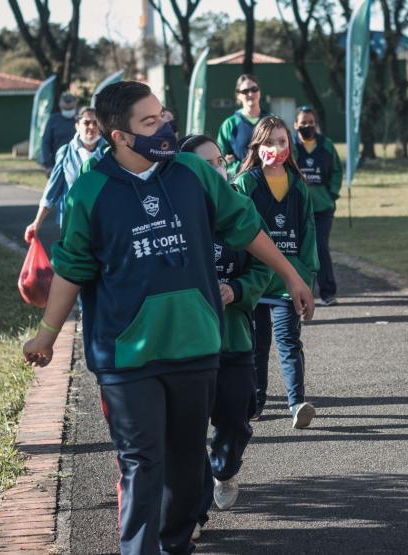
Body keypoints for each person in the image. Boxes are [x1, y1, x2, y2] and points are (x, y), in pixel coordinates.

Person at [22, 81, 315, 555]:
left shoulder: (192, 173)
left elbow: (245, 225)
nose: (164, 128)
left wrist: (291, 276)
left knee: (184, 464)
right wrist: (47, 334)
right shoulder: (89, 192)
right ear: (119, 135)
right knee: (142, 461)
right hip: (125, 356)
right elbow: (71, 268)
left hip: (195, 346)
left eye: (163, 117)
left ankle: (175, 544)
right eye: (150, 122)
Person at [178, 134, 272, 540]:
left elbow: (264, 266)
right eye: (207, 163)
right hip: (184, 346)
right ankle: (192, 515)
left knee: (235, 418)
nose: (218, 168)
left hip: (233, 339)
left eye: (221, 160)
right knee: (186, 431)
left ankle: (226, 467)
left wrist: (237, 290)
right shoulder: (172, 214)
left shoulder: (241, 207)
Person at [234, 116, 319, 428]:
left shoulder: (299, 187)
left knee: (288, 339)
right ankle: (255, 401)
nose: (276, 148)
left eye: (282, 141)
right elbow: (236, 233)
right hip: (254, 281)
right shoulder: (244, 184)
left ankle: (297, 403)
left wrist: (307, 274)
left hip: (287, 281)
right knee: (256, 343)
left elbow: (308, 232)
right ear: (258, 146)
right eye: (269, 142)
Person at [25, 107, 106, 241]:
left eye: (96, 123)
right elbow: (52, 191)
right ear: (77, 125)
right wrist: (36, 223)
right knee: (75, 261)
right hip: (72, 224)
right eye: (86, 122)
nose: (91, 127)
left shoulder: (110, 153)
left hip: (103, 222)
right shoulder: (65, 153)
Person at [292, 106, 343, 306]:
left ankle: (327, 292)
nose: (307, 126)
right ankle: (302, 291)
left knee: (320, 247)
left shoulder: (326, 145)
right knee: (300, 250)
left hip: (323, 208)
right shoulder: (291, 146)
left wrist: (331, 194)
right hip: (299, 209)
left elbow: (337, 171)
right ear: (295, 125)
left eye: (311, 123)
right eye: (303, 123)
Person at [217, 74, 269, 178]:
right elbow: (219, 160)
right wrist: (237, 167)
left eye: (254, 89)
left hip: (270, 181)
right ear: (238, 95)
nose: (250, 93)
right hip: (241, 183)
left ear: (259, 91)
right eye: (245, 91)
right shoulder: (229, 124)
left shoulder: (271, 121)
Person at [39, 92, 78, 172]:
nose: (68, 111)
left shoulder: (82, 120)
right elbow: (46, 143)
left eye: (70, 109)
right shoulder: (53, 120)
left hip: (78, 164)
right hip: (57, 165)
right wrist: (48, 165)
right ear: (60, 105)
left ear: (75, 105)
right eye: (66, 109)